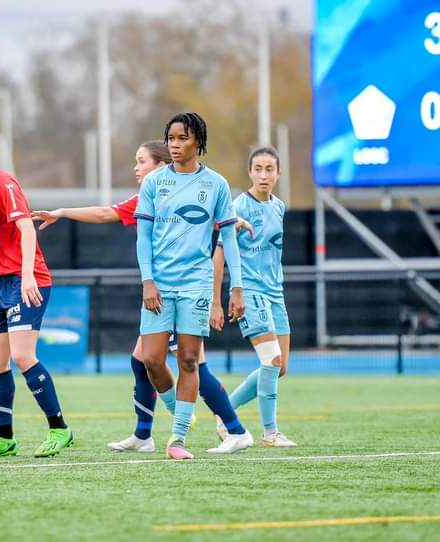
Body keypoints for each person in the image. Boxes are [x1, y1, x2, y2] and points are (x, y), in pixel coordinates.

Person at [33, 142, 254, 453]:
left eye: (141, 162)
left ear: (162, 165)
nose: (136, 168)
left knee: (193, 365)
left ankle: (234, 429)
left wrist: (235, 223)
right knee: (143, 361)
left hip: (188, 288)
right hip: (163, 289)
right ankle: (144, 434)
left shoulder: (189, 189)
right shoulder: (147, 197)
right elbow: (104, 212)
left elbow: (216, 219)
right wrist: (63, 212)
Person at [135, 112, 254, 459]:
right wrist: (148, 280)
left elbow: (228, 239)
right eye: (170, 138)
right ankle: (178, 409)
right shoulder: (154, 183)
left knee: (189, 359)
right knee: (152, 360)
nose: (175, 145)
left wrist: (237, 288)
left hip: (197, 284)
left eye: (182, 138)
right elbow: (143, 237)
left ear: (198, 142)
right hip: (159, 284)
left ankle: (177, 439)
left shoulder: (215, 184)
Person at [0, 123, 73, 458]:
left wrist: (26, 276)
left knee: (23, 356)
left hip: (25, 280)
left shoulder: (3, 184)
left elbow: (27, 228)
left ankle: (60, 428)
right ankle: (4, 437)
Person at [211, 146, 296, 447]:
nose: (263, 175)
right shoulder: (237, 207)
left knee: (280, 366)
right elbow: (219, 255)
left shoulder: (279, 207)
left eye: (269, 169)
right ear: (250, 172)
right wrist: (218, 299)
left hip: (276, 294)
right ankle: (270, 433)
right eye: (258, 169)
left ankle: (224, 413)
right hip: (250, 293)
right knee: (271, 361)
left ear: (278, 173)